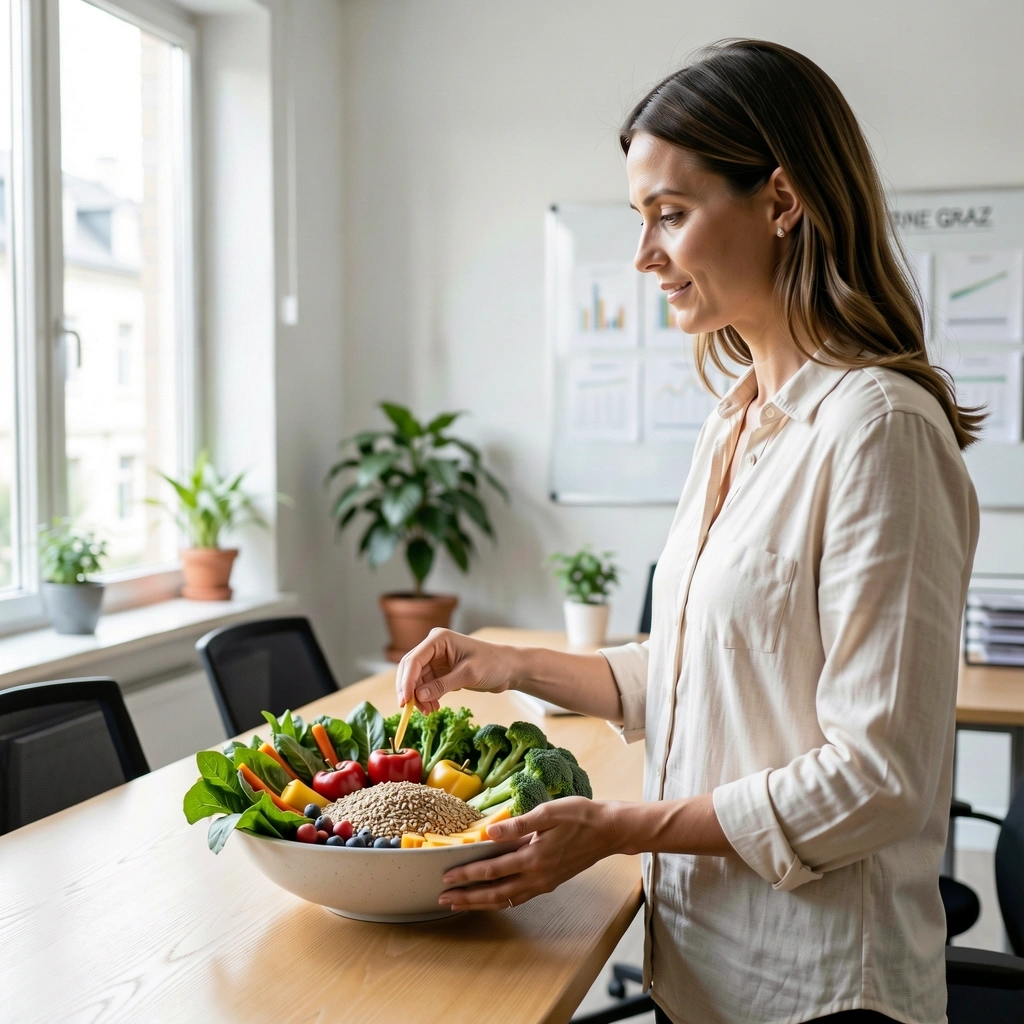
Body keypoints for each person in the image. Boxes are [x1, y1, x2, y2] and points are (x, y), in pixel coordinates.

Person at [396, 39, 980, 1024]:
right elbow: (703, 665)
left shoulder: (877, 429)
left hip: (817, 990)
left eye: (670, 214)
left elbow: (877, 779)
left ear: (782, 201)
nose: (643, 256)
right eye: (640, 219)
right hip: (703, 969)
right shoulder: (735, 420)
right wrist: (514, 665)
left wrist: (618, 827)